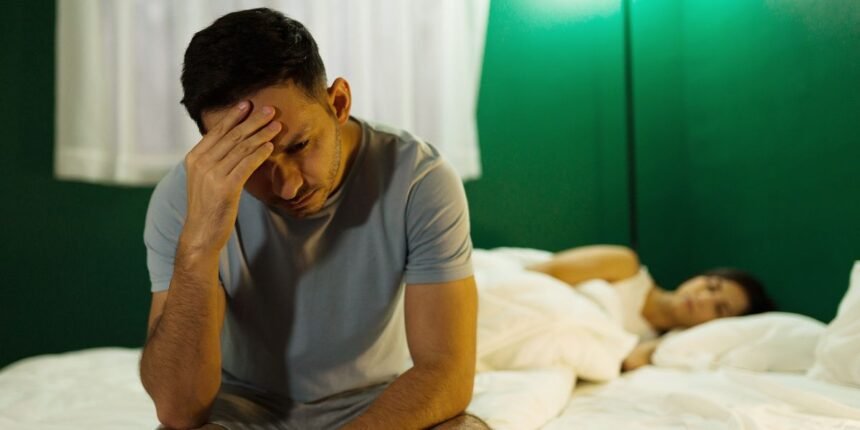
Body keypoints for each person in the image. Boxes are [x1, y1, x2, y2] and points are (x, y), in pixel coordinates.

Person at [140, 8, 488, 430]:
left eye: (299, 145)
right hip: (243, 411)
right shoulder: (183, 200)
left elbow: (445, 371)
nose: (287, 186)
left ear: (337, 102)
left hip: (377, 406)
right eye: (253, 161)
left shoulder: (418, 179)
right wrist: (199, 245)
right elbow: (179, 411)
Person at [527, 245, 776, 371]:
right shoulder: (624, 266)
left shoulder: (659, 346)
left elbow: (622, 363)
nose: (703, 299)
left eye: (719, 309)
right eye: (711, 286)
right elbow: (535, 277)